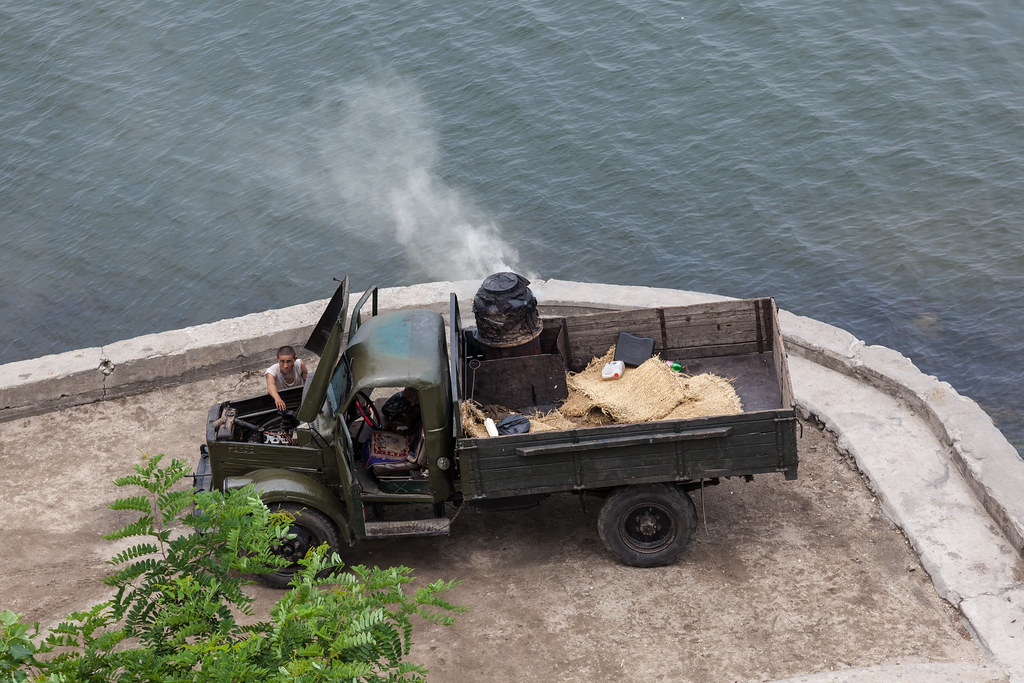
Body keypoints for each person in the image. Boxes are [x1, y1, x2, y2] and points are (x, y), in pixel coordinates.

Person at [266, 345, 308, 411]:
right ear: (277, 359)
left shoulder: (300, 365)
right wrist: (277, 398)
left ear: (295, 359)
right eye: (282, 361)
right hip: (283, 402)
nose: (285, 365)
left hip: (300, 397)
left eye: (289, 361)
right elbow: (270, 385)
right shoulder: (272, 371)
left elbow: (307, 381)